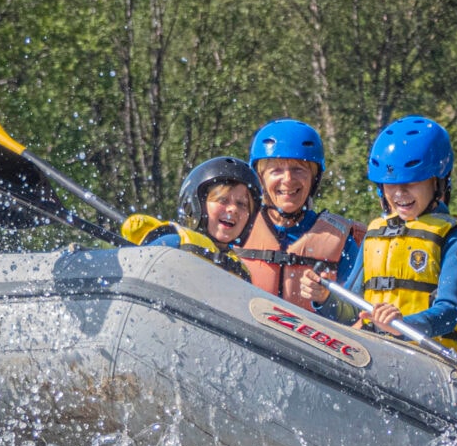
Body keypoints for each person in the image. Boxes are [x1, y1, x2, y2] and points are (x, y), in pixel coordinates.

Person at [300, 114, 457, 349]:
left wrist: (403, 324)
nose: (400, 193)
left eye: (412, 182)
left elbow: (449, 312)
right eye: (391, 184)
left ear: (437, 182)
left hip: (431, 359)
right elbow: (352, 309)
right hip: (375, 351)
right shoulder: (376, 234)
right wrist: (324, 298)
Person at [236, 119, 364, 312]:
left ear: (314, 179)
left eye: (298, 169)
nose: (288, 180)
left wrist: (325, 300)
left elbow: (356, 313)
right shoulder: (237, 226)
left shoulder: (342, 240)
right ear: (260, 178)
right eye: (276, 170)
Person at [120, 156, 260, 281]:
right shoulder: (174, 243)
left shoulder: (241, 273)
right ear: (195, 205)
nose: (233, 209)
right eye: (223, 200)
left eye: (242, 204)